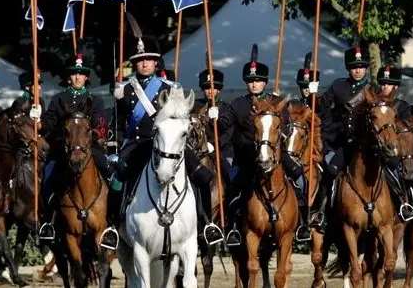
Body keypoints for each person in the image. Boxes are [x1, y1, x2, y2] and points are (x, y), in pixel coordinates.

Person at [109, 35, 224, 247]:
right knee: (117, 179)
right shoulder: (123, 90)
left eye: (149, 60)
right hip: (137, 143)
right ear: (135, 63)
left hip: (168, 143)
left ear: (156, 63)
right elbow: (117, 123)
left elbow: (182, 119)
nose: (144, 64)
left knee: (204, 176)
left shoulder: (171, 88)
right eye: (140, 60)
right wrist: (114, 149)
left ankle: (206, 223)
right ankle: (113, 227)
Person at [311, 48, 413, 232]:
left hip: (370, 146)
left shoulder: (375, 90)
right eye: (354, 67)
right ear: (348, 68)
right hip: (345, 143)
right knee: (330, 172)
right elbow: (322, 106)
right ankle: (320, 213)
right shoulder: (338, 86)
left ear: (366, 69)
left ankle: (403, 205)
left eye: (361, 66)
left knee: (391, 170)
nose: (358, 70)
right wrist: (313, 94)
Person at [213, 44, 310, 244]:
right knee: (233, 187)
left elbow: (286, 127)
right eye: (250, 81)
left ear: (264, 82)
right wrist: (214, 117)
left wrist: (282, 133)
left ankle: (302, 224)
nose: (254, 84)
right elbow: (224, 125)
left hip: (275, 155)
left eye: (258, 80)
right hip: (247, 156)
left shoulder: (277, 102)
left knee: (300, 180)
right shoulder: (238, 104)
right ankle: (233, 229)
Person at [30, 54, 111, 242]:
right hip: (62, 150)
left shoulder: (94, 99)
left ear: (86, 77)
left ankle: (112, 223)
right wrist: (38, 120)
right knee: (47, 181)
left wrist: (95, 136)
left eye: (81, 74)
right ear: (69, 77)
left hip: (89, 149)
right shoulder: (59, 99)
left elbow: (100, 123)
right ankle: (48, 223)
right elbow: (49, 124)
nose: (77, 77)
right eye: (74, 74)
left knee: (110, 174)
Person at [378, 66, 413, 216]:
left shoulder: (402, 106)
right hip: (376, 149)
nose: (385, 86)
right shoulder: (373, 106)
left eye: (388, 83)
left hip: (397, 150)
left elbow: (405, 132)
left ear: (395, 87)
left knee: (409, 168)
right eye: (383, 83)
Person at [193, 67, 234, 187]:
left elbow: (229, 133)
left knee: (229, 174)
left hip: (220, 150)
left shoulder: (226, 108)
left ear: (219, 90)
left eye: (214, 88)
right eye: (207, 88)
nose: (210, 91)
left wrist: (215, 144)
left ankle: (231, 200)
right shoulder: (195, 106)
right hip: (198, 150)